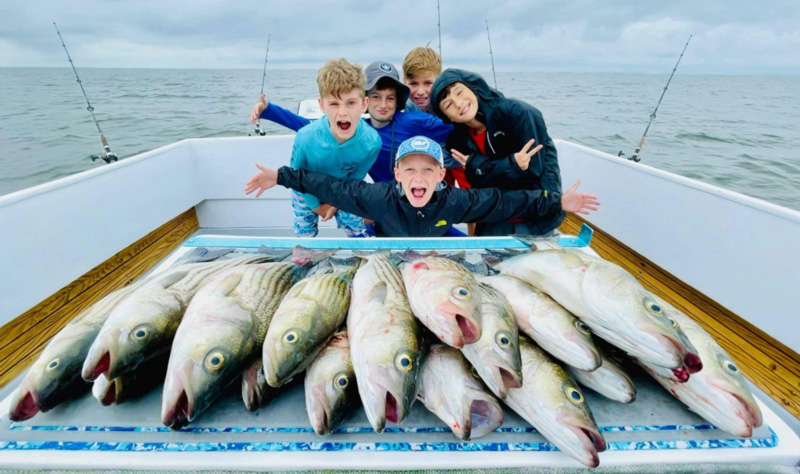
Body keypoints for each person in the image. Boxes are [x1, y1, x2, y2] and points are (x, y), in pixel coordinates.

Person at [245, 136, 599, 238]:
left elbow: (504, 202)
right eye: (410, 169)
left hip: (435, 254)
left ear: (441, 176)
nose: (418, 177)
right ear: (396, 174)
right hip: (387, 255)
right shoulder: (376, 197)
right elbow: (331, 186)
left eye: (428, 170)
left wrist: (555, 202)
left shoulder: (456, 202)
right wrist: (281, 176)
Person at [251, 61, 452, 184]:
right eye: (375, 97)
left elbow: (456, 127)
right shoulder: (359, 131)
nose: (383, 104)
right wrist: (268, 110)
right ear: (364, 102)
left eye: (390, 98)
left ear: (398, 100)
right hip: (382, 200)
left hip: (416, 192)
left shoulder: (414, 121)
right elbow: (305, 125)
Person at [431, 69, 565, 237]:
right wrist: (512, 165)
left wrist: (478, 165)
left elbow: (530, 174)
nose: (458, 103)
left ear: (472, 87)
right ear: (447, 117)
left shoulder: (519, 113)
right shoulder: (458, 142)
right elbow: (477, 183)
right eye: (448, 105)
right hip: (496, 215)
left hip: (537, 214)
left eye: (460, 92)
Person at [282, 58, 381, 238]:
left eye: (351, 103)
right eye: (334, 103)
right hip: (306, 190)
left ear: (364, 104)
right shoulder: (305, 138)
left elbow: (355, 179)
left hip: (343, 190)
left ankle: (362, 248)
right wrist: (316, 207)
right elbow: (296, 178)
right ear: (322, 105)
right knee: (304, 235)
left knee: (357, 227)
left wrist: (336, 203)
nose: (343, 112)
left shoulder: (372, 142)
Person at [402, 47, 470, 190]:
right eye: (413, 83)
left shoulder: (450, 101)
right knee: (439, 199)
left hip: (461, 159)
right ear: (404, 81)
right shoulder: (406, 107)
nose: (420, 91)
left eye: (428, 83)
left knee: (472, 196)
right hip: (434, 162)